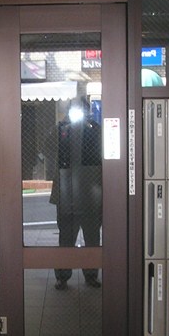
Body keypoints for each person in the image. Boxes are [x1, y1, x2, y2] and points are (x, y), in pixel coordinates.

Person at [50, 96, 103, 290]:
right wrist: (62, 123)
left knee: (92, 238)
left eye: (81, 109)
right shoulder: (61, 130)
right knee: (66, 238)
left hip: (90, 193)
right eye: (74, 109)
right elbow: (48, 147)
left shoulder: (95, 130)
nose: (78, 113)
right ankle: (62, 276)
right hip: (67, 192)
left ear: (88, 111)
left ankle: (91, 274)